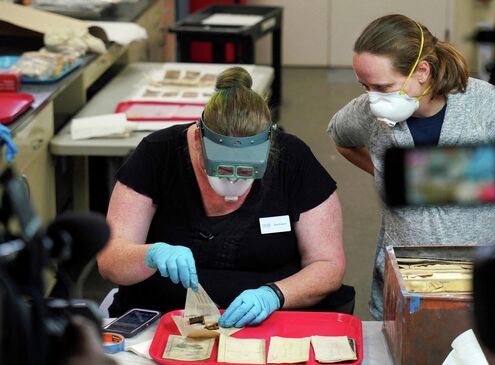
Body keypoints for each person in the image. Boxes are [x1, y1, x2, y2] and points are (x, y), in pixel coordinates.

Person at [327, 14, 495, 320]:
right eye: (365, 86)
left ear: (422, 71)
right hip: (407, 290)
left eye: (382, 86)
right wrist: (393, 174)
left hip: (487, 289)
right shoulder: (370, 112)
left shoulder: (492, 111)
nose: (373, 98)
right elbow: (342, 138)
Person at [97, 67, 352, 328]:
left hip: (269, 322)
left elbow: (328, 264)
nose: (233, 181)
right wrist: (150, 254)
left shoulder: (293, 159)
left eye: (246, 171)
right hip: (162, 319)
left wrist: (274, 294)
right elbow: (109, 260)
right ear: (198, 139)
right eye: (222, 169)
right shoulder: (157, 155)